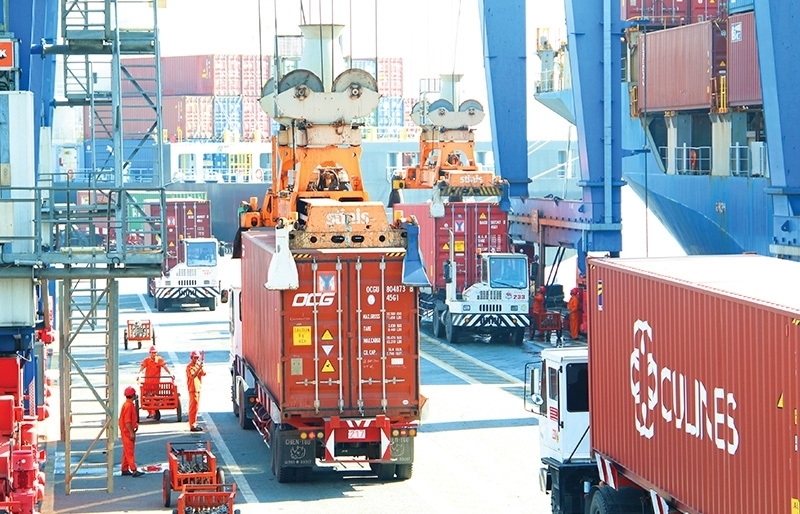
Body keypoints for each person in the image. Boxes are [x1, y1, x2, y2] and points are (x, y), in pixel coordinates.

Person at [139, 346, 171, 419]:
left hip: (156, 384)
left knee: (155, 398)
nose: (154, 354)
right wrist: (139, 374)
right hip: (148, 383)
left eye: (155, 353)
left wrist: (170, 373)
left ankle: (154, 412)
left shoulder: (159, 359)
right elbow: (142, 367)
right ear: (150, 353)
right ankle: (150, 412)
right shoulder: (147, 360)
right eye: (152, 353)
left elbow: (164, 367)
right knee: (147, 397)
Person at [119, 386, 144, 477]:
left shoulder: (127, 405)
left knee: (126, 451)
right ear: (133, 395)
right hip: (127, 432)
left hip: (126, 431)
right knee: (130, 452)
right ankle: (134, 470)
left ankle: (124, 468)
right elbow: (127, 421)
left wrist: (135, 426)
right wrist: (131, 432)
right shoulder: (129, 406)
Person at [186, 350, 206, 432]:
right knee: (193, 408)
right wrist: (199, 368)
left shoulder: (197, 365)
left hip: (197, 388)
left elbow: (204, 373)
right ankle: (192, 425)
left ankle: (194, 423)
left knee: (196, 407)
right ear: (191, 358)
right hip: (192, 389)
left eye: (198, 358)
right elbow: (193, 376)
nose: (196, 359)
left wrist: (201, 366)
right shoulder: (189, 367)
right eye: (195, 358)